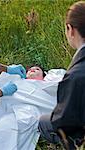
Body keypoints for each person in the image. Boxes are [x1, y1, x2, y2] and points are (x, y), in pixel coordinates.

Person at [38, 1, 85, 150]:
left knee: (43, 122)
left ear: (70, 30)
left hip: (80, 135)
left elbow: (63, 122)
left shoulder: (75, 76)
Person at [0, 65, 64, 150]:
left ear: (43, 75)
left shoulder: (46, 87)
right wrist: (0, 92)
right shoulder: (17, 82)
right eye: (30, 69)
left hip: (26, 115)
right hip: (9, 112)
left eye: (37, 69)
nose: (33, 70)